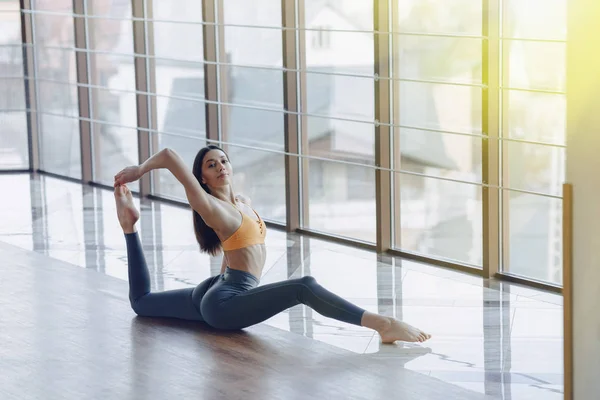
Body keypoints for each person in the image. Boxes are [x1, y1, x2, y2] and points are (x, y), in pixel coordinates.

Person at [113, 145, 431, 343]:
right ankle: (383, 324)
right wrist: (140, 170)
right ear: (203, 179)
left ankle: (129, 227)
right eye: (211, 165)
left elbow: (232, 250)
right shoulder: (211, 208)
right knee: (302, 286)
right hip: (224, 301)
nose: (221, 166)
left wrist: (130, 225)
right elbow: (169, 155)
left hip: (218, 287)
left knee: (143, 303)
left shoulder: (242, 201)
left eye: (224, 160)